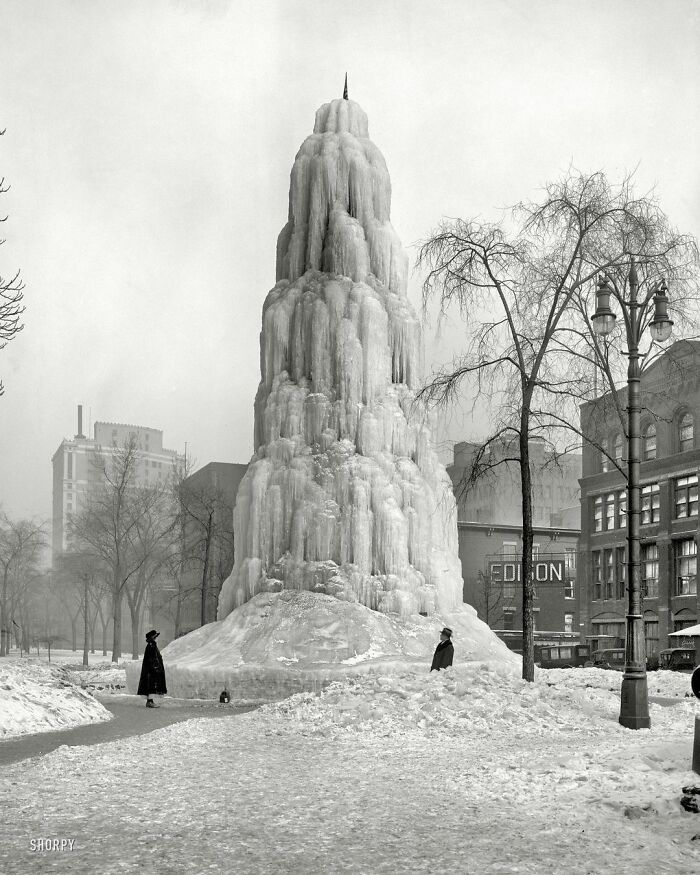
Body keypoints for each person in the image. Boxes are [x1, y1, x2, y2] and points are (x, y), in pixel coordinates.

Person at [137, 629, 167, 708]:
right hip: (151, 670)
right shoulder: (151, 645)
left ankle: (150, 701)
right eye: (156, 636)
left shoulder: (151, 645)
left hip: (150, 670)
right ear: (153, 637)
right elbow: (152, 658)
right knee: (151, 685)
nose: (157, 637)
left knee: (151, 685)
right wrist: (156, 667)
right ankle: (150, 702)